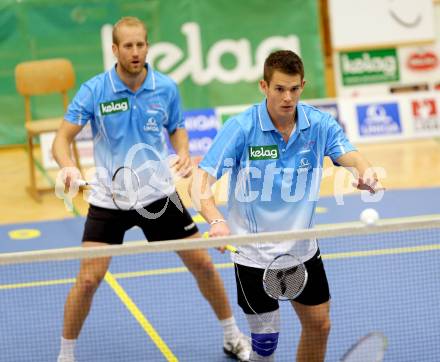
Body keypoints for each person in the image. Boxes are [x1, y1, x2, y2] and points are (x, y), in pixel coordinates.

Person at [52, 16, 250, 362]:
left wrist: (184, 152)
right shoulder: (95, 90)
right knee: (87, 280)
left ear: (147, 46)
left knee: (202, 265)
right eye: (127, 45)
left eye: (140, 44)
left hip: (157, 196)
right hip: (109, 199)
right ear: (114, 49)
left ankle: (232, 336)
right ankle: (65, 355)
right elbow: (61, 139)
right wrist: (68, 165)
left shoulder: (165, 87)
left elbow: (177, 128)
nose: (135, 51)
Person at [190, 50, 383, 361]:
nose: (287, 97)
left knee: (320, 326)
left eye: (294, 89)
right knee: (265, 347)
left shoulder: (318, 124)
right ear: (264, 86)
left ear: (303, 85)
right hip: (254, 255)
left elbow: (351, 155)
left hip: (302, 252)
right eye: (279, 89)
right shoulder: (241, 128)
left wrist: (366, 173)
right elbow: (199, 184)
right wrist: (216, 221)